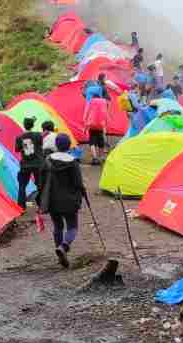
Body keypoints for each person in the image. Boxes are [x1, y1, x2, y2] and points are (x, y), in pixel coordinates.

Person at [40, 134, 87, 268]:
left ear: (56, 145)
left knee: (58, 226)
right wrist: (82, 194)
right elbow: (78, 183)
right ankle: (64, 246)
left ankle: (59, 253)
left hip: (52, 199)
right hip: (69, 200)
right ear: (68, 145)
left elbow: (41, 180)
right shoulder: (73, 162)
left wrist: (41, 198)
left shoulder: (48, 160)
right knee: (72, 227)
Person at [14, 117, 46, 210]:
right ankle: (42, 205)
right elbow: (40, 145)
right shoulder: (38, 135)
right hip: (38, 163)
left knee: (22, 185)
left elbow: (17, 149)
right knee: (40, 185)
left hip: (25, 164)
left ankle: (21, 207)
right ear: (33, 125)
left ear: (23, 125)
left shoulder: (20, 137)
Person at [83, 91, 111, 165]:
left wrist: (85, 124)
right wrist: (106, 123)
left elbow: (87, 112)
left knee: (92, 141)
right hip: (101, 124)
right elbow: (106, 113)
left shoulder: (91, 102)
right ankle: (100, 157)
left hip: (92, 124)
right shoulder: (104, 102)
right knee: (100, 141)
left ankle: (95, 158)